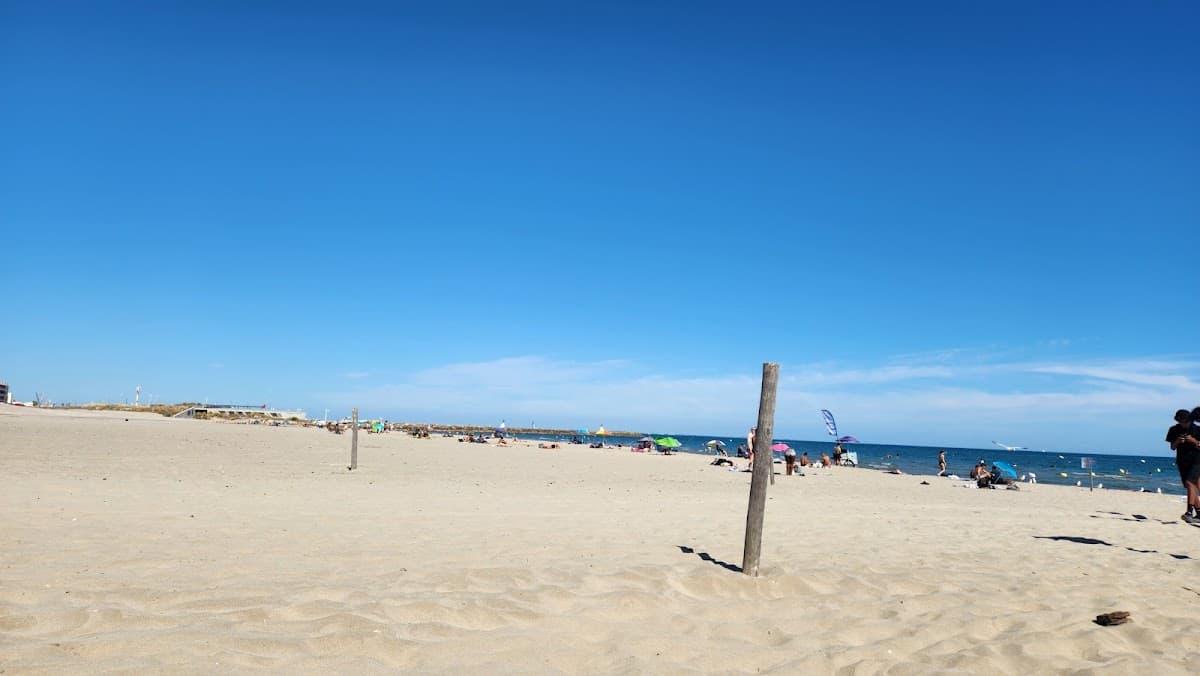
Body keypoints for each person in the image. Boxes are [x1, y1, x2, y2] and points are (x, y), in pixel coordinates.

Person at [1167, 408, 1200, 523]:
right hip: (1182, 461)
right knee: (1191, 487)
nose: (1183, 424)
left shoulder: (1197, 429)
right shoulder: (1174, 429)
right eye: (1180, 422)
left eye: (1185, 422)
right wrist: (1177, 441)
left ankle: (1189, 512)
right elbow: (1172, 447)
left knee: (1190, 483)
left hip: (1197, 460)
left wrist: (1194, 441)